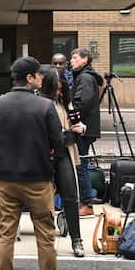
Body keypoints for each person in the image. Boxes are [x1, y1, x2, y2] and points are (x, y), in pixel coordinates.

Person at [0, 56, 62, 270]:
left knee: (5, 234)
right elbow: (57, 145)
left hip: (6, 179)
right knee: (46, 235)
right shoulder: (46, 106)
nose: (42, 77)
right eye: (39, 74)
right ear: (30, 78)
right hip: (39, 178)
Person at [39, 64, 87, 257]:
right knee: (42, 199)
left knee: (70, 194)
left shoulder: (65, 104)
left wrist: (79, 129)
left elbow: (74, 128)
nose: (59, 91)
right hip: (44, 154)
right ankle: (45, 239)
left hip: (64, 152)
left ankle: (77, 239)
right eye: (55, 87)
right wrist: (67, 135)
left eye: (62, 87)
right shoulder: (41, 102)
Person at [69, 47, 103, 213]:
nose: (71, 60)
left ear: (84, 60)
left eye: (75, 57)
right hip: (85, 127)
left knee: (80, 165)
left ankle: (86, 204)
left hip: (83, 128)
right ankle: (84, 201)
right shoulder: (84, 77)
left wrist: (72, 118)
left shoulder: (85, 78)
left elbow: (82, 102)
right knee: (80, 164)